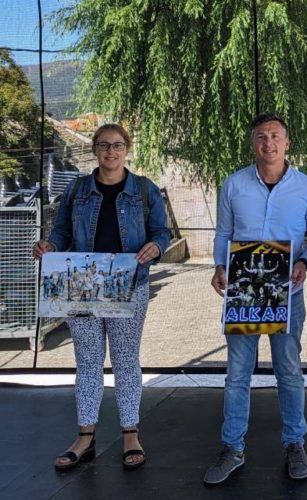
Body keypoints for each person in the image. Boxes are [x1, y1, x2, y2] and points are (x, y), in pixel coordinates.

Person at [32, 123, 170, 471]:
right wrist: (51, 245)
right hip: (81, 286)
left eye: (118, 145)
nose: (111, 151)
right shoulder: (77, 190)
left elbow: (161, 231)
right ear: (95, 149)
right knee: (88, 362)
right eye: (105, 145)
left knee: (126, 361)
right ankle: (85, 437)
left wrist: (157, 246)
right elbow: (62, 230)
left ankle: (130, 434)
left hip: (129, 286)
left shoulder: (144, 190)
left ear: (127, 149)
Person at [204, 112, 307, 485]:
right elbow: (224, 232)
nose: (268, 143)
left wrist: (306, 260)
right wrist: (220, 266)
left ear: (288, 143)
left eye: (275, 136)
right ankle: (232, 448)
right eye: (261, 136)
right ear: (252, 143)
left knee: (288, 371)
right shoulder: (234, 185)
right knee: (237, 374)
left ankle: (295, 443)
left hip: (289, 294)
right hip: (243, 293)